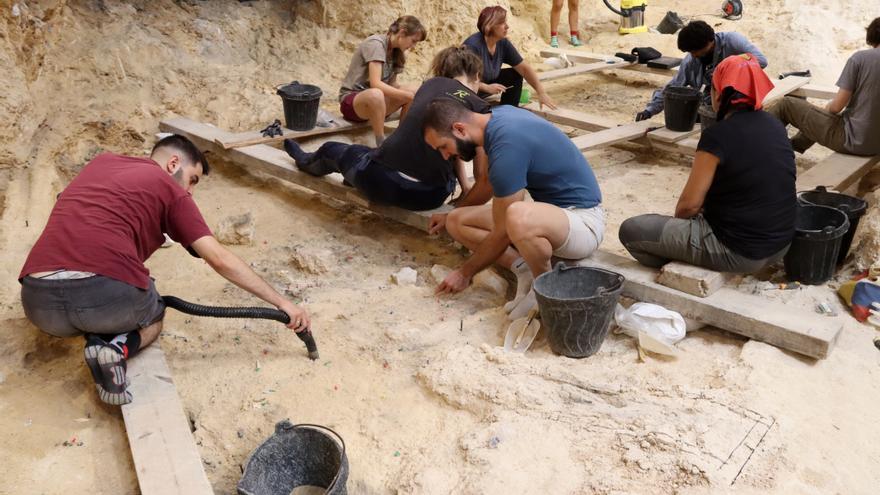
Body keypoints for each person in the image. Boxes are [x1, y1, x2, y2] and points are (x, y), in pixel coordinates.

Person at [18, 136, 309, 405]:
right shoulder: (171, 190)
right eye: (192, 180)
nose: (190, 192)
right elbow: (219, 258)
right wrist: (282, 303)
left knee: (111, 294)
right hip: (104, 297)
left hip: (39, 306)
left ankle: (96, 329)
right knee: (155, 310)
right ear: (173, 163)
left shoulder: (101, 163)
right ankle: (116, 350)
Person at [423, 100, 604, 320]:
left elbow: (503, 231)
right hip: (552, 217)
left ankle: (544, 288)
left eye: (443, 146)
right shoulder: (497, 120)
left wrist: (465, 273)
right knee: (456, 220)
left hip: (583, 223)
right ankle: (523, 268)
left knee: (517, 216)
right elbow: (489, 185)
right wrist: (450, 214)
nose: (445, 156)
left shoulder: (507, 145)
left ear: (459, 129)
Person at [620, 54, 796, 273]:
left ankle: (688, 262)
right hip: (781, 245)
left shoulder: (717, 136)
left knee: (632, 231)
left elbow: (688, 207)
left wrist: (686, 229)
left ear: (719, 93)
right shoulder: (775, 125)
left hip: (741, 252)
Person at [284, 46, 493, 211]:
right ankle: (352, 177)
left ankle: (305, 161)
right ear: (477, 75)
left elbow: (408, 139)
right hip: (429, 197)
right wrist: (465, 191)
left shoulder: (430, 85)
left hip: (380, 182)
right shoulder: (480, 111)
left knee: (334, 150)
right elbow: (481, 175)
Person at [767, 17, 880, 156]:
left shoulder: (860, 59)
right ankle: (792, 146)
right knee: (822, 116)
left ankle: (754, 145)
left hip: (856, 141)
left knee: (786, 105)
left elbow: (836, 107)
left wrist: (827, 108)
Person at [635, 20, 766, 122]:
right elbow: (673, 87)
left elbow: (761, 61)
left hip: (739, 101)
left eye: (695, 51)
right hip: (711, 104)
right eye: (690, 52)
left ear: (710, 41)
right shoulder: (691, 61)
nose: (693, 55)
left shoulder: (732, 41)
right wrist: (649, 110)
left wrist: (726, 70)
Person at [338, 16, 427, 146]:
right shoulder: (376, 44)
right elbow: (376, 84)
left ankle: (401, 137)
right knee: (377, 94)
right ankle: (381, 142)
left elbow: (392, 85)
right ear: (402, 33)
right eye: (413, 41)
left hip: (377, 103)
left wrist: (413, 95)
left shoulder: (397, 52)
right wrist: (407, 96)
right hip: (353, 103)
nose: (413, 46)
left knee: (415, 90)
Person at [464, 6, 557, 109]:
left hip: (486, 84)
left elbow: (524, 69)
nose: (507, 26)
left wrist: (541, 92)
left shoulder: (502, 43)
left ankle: (509, 109)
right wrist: (486, 88)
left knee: (515, 74)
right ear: (489, 26)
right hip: (467, 92)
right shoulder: (472, 46)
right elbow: (462, 80)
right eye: (502, 23)